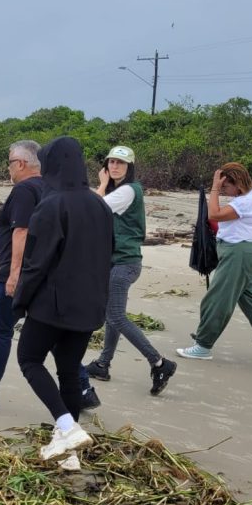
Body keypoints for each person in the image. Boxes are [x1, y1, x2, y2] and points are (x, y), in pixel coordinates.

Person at [13, 137, 113, 466]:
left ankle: (67, 426)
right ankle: (69, 452)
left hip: (53, 305)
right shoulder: (100, 205)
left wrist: (20, 302)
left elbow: (36, 262)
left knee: (29, 359)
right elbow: (108, 255)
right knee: (69, 371)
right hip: (90, 304)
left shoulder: (51, 205)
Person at [177, 163, 252, 365]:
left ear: (238, 183)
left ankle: (203, 346)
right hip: (244, 254)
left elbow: (214, 214)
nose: (224, 191)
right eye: (222, 187)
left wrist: (214, 188)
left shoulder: (247, 201)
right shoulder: (247, 198)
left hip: (239, 255)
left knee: (217, 300)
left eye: (226, 186)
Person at [85, 146, 178, 395]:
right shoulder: (122, 190)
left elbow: (95, 207)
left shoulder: (128, 191)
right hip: (119, 261)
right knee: (112, 315)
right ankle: (103, 364)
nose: (115, 167)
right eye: (112, 162)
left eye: (121, 163)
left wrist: (102, 184)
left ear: (130, 167)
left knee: (116, 316)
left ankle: (159, 363)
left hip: (124, 263)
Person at [0, 140, 44, 411]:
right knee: (51, 333)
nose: (8, 169)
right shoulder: (49, 187)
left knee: (0, 329)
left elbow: (22, 231)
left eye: (9, 163)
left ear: (20, 164)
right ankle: (84, 388)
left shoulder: (24, 190)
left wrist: (13, 274)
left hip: (17, 274)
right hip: (43, 272)